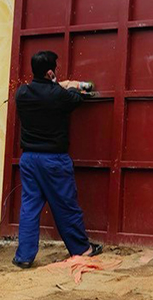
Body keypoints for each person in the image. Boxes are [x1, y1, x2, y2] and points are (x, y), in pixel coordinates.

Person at [12, 50, 102, 268]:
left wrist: (57, 85)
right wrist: (72, 85)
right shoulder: (59, 95)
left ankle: (24, 257)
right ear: (51, 72)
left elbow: (43, 90)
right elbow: (76, 98)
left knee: (29, 207)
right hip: (53, 160)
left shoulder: (22, 93)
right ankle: (81, 249)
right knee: (65, 205)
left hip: (29, 159)